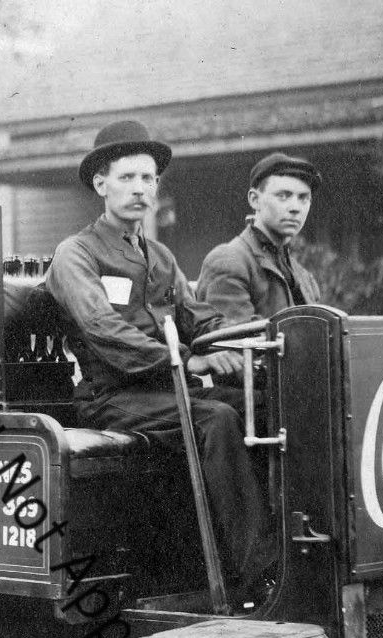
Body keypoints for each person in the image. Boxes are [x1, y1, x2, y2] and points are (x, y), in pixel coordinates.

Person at [44, 120, 277, 603]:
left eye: (148, 178)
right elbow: (103, 330)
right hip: (111, 397)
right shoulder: (76, 254)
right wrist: (187, 361)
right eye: (127, 177)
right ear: (100, 184)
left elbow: (198, 316)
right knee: (216, 417)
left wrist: (242, 341)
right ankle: (259, 574)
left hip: (166, 392)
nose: (139, 189)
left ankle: (290, 550)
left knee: (265, 404)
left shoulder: (161, 257)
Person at [197, 152, 323, 323]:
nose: (295, 207)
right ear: (255, 200)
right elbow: (232, 336)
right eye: (283, 196)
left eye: (303, 198)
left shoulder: (304, 277)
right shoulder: (228, 262)